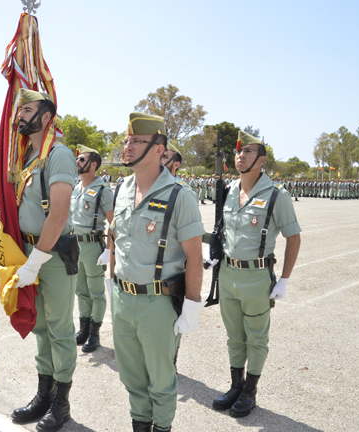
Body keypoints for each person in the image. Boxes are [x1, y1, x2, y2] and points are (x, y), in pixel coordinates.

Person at [110, 112, 205, 432]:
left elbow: (194, 257)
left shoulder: (180, 195)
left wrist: (192, 305)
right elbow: (117, 240)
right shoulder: (122, 188)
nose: (128, 147)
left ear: (158, 149)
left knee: (161, 380)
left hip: (157, 302)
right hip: (123, 299)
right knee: (131, 377)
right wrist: (112, 281)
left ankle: (162, 427)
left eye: (137, 141)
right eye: (127, 140)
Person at [210, 131, 301, 418]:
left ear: (262, 160)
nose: (240, 155)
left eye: (248, 151)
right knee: (234, 337)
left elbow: (293, 236)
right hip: (228, 275)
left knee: (256, 338)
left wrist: (284, 279)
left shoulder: (276, 195)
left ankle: (250, 391)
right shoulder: (228, 191)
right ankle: (236, 386)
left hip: (256, 276)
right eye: (238, 151)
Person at [10, 89, 78, 432]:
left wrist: (35, 261)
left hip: (51, 255)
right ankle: (44, 394)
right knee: (40, 327)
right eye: (20, 109)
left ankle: (61, 403)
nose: (20, 115)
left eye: (27, 110)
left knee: (59, 329)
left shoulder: (58, 154)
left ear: (46, 116)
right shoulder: (26, 156)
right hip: (28, 252)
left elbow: (59, 213)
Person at [70, 144, 113, 353]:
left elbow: (114, 223)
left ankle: (95, 333)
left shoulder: (103, 189)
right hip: (75, 245)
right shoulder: (76, 187)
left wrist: (109, 251)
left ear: (93, 164)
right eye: (77, 159)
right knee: (81, 290)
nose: (77, 162)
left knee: (96, 292)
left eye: (81, 159)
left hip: (93, 245)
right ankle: (84, 329)